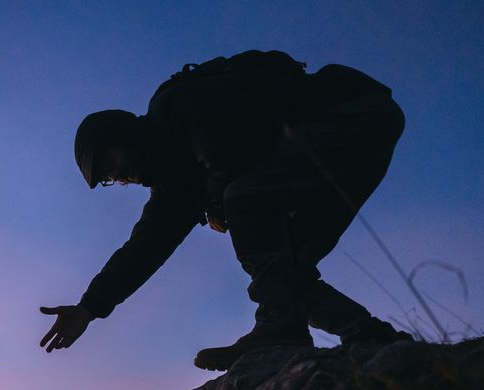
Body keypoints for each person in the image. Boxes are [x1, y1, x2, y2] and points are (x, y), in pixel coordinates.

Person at [39, 50, 412, 370]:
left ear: (122, 134)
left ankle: (279, 330)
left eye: (107, 162)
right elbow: (144, 248)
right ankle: (371, 338)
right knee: (283, 266)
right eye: (107, 178)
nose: (116, 176)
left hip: (348, 114)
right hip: (361, 129)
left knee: (243, 200)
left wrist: (216, 201)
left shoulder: (173, 109)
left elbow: (227, 149)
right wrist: (88, 308)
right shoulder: (176, 187)